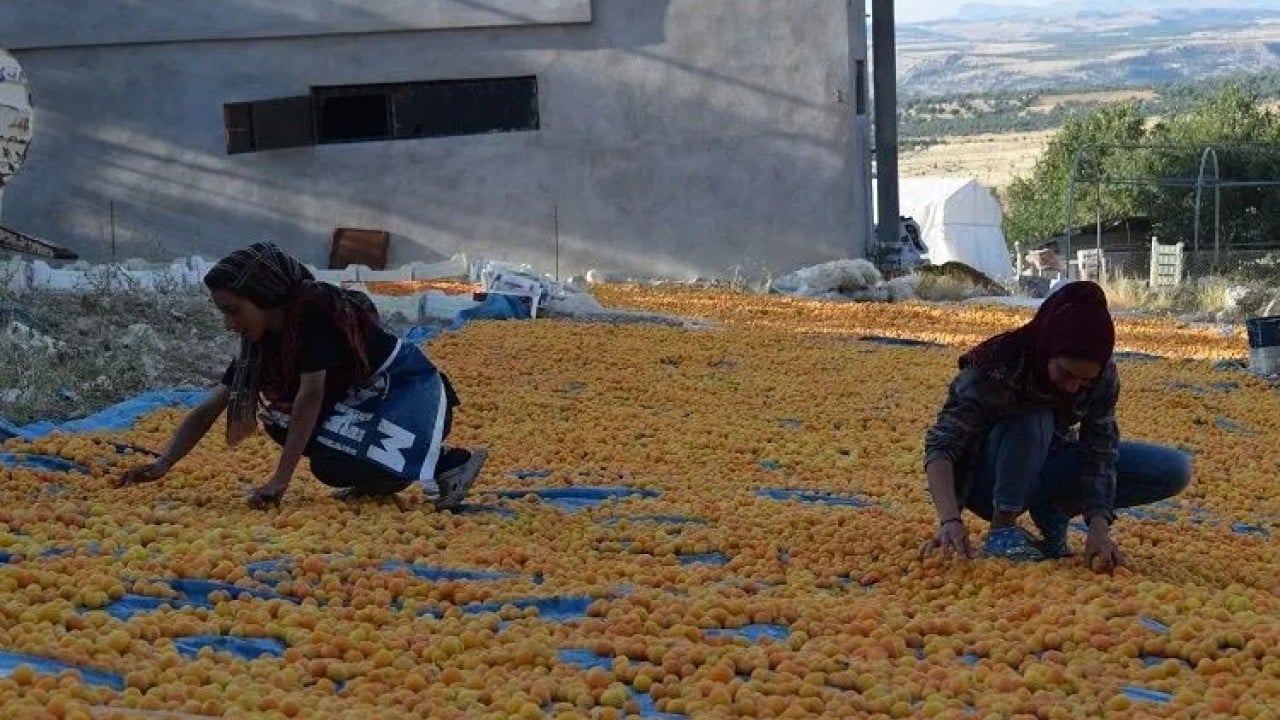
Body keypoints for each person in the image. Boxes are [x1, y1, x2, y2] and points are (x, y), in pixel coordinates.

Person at [114, 242, 487, 510]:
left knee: (319, 452)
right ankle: (382, 478)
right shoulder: (261, 343)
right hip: (367, 405)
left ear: (264, 296)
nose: (229, 324)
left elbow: (311, 397)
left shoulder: (313, 313)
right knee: (284, 424)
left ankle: (448, 462)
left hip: (406, 398)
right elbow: (212, 404)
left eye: (233, 311)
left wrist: (280, 480)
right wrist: (163, 463)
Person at [918, 281, 1191, 572]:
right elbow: (941, 446)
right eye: (1066, 373)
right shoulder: (997, 365)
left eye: (1084, 381)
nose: (1073, 387)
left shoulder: (1103, 377)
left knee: (1172, 469)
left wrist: (1098, 526)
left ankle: (1054, 510)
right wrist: (950, 520)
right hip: (987, 479)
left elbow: (1100, 449)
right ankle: (1003, 531)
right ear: (1048, 347)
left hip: (1048, 463)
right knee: (1035, 414)